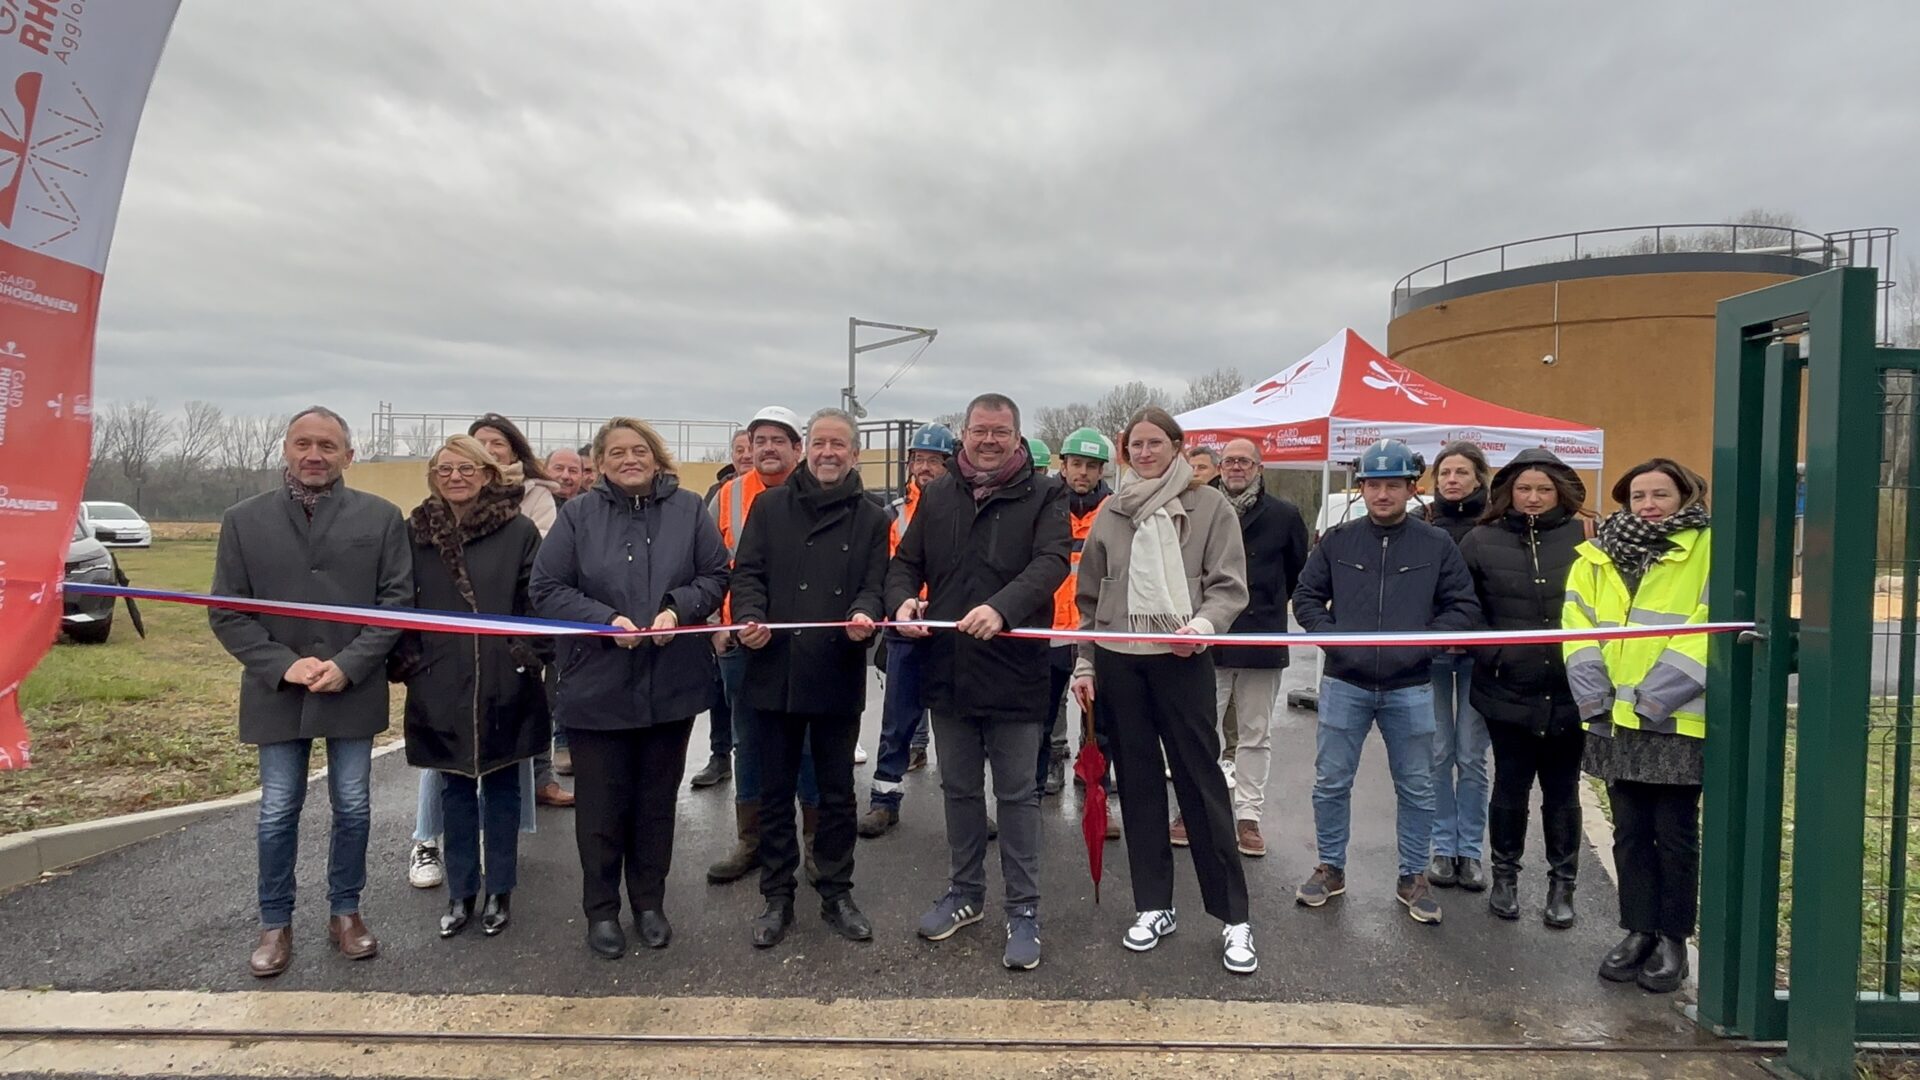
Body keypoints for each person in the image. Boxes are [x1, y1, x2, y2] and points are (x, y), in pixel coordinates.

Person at [209, 406, 411, 978]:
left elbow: (395, 604)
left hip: (353, 686)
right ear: (286, 449)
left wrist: (349, 664)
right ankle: (275, 922)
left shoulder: (381, 517)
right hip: (277, 691)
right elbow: (227, 611)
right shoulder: (243, 520)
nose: (314, 454)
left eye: (327, 444)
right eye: (303, 443)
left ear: (348, 455)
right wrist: (285, 666)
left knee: (353, 805)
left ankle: (346, 912)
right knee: (277, 811)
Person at [530, 417, 729, 959]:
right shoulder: (578, 515)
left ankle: (649, 902)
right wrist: (604, 621)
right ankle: (601, 910)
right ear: (600, 463)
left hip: (671, 682)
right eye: (616, 452)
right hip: (597, 684)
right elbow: (545, 588)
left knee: (655, 803)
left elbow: (716, 575)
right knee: (601, 806)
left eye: (639, 449)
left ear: (656, 456)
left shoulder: (688, 509)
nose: (629, 459)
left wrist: (676, 610)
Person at [886, 392, 1069, 971]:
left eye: (1000, 431)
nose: (988, 440)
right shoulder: (938, 495)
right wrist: (902, 604)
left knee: (1017, 796)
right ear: (964, 433)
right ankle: (965, 894)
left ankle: (1024, 910)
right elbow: (903, 565)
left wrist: (1003, 608)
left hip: (1015, 673)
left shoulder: (1046, 492)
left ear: (1018, 437)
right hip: (950, 671)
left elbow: (1052, 561)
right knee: (958, 791)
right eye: (979, 430)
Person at [1070, 408, 1253, 973]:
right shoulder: (1111, 511)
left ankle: (1233, 918)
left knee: (1202, 787)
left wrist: (1203, 626)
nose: (1144, 453)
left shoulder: (1210, 506)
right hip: (1121, 666)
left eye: (1155, 444)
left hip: (1182, 663)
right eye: (1135, 446)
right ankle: (1154, 905)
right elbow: (1090, 601)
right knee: (1141, 788)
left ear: (1177, 446)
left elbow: (1228, 585)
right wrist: (1084, 663)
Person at [1292, 438, 1480, 925]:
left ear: (1410, 488)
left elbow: (1462, 607)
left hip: (1412, 686)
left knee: (1418, 787)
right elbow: (1307, 598)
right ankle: (1331, 867)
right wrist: (1335, 641)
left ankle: (1413, 875)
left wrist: (1421, 646)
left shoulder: (1436, 544)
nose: (1381, 494)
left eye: (1391, 485)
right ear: (1361, 488)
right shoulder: (1337, 540)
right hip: (1345, 683)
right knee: (1331, 782)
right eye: (1373, 485)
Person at [730, 408, 889, 947]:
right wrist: (749, 617)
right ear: (807, 450)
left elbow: (876, 584)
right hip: (772, 669)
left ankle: (837, 892)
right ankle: (777, 897)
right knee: (775, 794)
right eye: (819, 442)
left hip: (836, 671)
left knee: (837, 793)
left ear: (853, 452)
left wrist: (866, 616)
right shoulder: (769, 506)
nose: (827, 452)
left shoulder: (872, 517)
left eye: (838, 444)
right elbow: (747, 572)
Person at [393, 435, 550, 939]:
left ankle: (500, 889)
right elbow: (398, 601)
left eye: (466, 469)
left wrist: (527, 656)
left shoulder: (519, 529)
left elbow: (536, 600)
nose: (455, 477)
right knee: (452, 786)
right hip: (438, 677)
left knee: (502, 785)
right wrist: (409, 658)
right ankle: (461, 892)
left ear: (486, 474)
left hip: (505, 677)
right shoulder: (414, 532)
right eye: (445, 469)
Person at [1565, 458, 1711, 995]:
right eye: (1638, 496)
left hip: (1674, 718)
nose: (1648, 505)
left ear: (1685, 497)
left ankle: (1674, 938)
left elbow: (1706, 628)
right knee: (1628, 833)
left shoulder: (1708, 550)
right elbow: (1575, 624)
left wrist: (1656, 694)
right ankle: (1638, 929)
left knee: (1673, 834)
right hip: (1613, 718)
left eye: (1661, 495)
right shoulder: (1595, 555)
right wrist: (1593, 691)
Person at [1459, 449, 1588, 929]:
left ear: (1562, 493)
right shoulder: (1480, 539)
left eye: (1544, 490)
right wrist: (1493, 654)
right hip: (1506, 689)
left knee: (1563, 790)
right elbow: (1463, 605)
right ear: (1507, 493)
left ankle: (1562, 884)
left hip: (1572, 689)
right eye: (1524, 489)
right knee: (1509, 786)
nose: (1533, 498)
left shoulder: (1584, 537)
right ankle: (1506, 877)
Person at [706, 406, 823, 885]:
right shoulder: (727, 498)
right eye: (760, 440)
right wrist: (715, 624)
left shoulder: (820, 495)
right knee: (747, 741)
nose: (768, 448)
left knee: (811, 746)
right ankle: (751, 840)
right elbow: (708, 568)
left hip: (807, 644)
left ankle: (815, 843)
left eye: (779, 439)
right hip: (742, 642)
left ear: (798, 448)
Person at [1176, 437, 1307, 860]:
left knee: (1255, 734)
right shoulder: (1201, 509)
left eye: (1244, 461)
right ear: (1218, 466)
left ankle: (1248, 817)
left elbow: (1296, 572)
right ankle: (1190, 812)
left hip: (1261, 639)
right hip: (1207, 637)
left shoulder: (1285, 516)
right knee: (1198, 732)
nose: (1236, 467)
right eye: (1229, 460)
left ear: (1259, 467)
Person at [859, 422, 954, 838]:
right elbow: (885, 569)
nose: (925, 467)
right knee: (896, 721)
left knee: (958, 725)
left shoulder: (962, 509)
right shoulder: (893, 513)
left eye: (934, 460)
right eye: (919, 459)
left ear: (949, 465)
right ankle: (884, 800)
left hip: (951, 629)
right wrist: (900, 606)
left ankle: (964, 804)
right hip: (905, 626)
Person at [1036, 428, 1117, 830]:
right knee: (1041, 713)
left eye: (1091, 466)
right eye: (1076, 464)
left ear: (1101, 470)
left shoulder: (1116, 510)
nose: (1083, 473)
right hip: (1049, 626)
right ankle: (1041, 778)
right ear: (1062, 465)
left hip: (1095, 628)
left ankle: (1094, 785)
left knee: (1099, 716)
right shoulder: (1043, 505)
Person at [1423, 441, 1492, 890]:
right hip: (1429, 655)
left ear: (1478, 477)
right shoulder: (1420, 524)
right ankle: (1441, 845)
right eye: (1445, 472)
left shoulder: (1494, 526)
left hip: (1478, 655)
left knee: (1471, 755)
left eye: (1461, 472)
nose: (1452, 479)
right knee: (1436, 753)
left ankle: (1470, 850)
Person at [690, 426, 754, 790]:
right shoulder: (720, 496)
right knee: (722, 695)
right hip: (727, 621)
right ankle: (719, 756)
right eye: (739, 449)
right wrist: (713, 621)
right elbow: (706, 563)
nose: (746, 455)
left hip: (768, 622)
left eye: (751, 447)